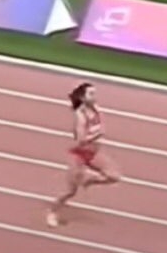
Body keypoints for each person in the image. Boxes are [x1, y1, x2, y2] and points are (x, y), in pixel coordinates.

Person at [46, 82, 121, 228]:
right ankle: (52, 212)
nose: (94, 96)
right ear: (83, 97)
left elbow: (100, 124)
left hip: (93, 153)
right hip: (78, 155)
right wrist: (97, 134)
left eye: (94, 93)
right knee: (70, 191)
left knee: (114, 176)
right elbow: (81, 141)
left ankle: (89, 181)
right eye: (91, 94)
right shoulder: (80, 115)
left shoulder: (96, 109)